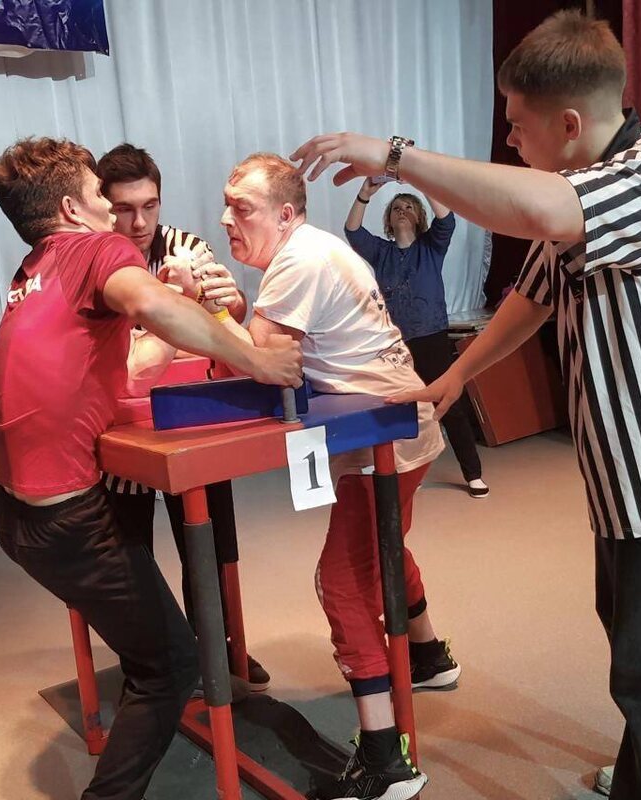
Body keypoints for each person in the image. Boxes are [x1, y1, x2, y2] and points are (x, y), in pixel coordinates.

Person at [292, 10, 641, 800]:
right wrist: (458, 375)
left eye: (516, 125)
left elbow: (537, 212)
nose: (508, 140)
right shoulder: (587, 192)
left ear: (569, 124)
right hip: (626, 469)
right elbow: (535, 293)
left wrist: (398, 157)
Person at [0, 137, 301, 800]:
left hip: (14, 513)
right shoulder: (94, 249)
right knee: (172, 667)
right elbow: (151, 309)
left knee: (154, 642)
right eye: (100, 196)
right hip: (67, 519)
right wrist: (260, 361)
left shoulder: (36, 268)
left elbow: (128, 349)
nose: (115, 212)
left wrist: (194, 302)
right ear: (73, 209)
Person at [221, 153, 463, 800]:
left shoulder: (297, 260)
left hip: (382, 434)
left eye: (241, 208)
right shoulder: (313, 249)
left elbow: (260, 364)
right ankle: (428, 656)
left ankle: (386, 761)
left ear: (285, 214)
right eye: (226, 205)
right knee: (384, 547)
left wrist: (210, 312)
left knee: (342, 581)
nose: (227, 219)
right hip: (400, 424)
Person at [95, 143, 269, 693]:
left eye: (149, 206)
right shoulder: (93, 258)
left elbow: (227, 317)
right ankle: (149, 666)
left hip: (188, 416)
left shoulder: (187, 248)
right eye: (125, 209)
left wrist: (230, 302)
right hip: (118, 426)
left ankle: (221, 647)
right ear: (103, 205)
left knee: (210, 546)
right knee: (129, 556)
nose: (139, 222)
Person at [345, 180, 489, 498]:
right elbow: (353, 231)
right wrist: (365, 194)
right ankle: (413, 470)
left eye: (409, 207)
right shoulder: (381, 252)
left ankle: (473, 473)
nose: (402, 211)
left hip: (432, 337)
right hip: (396, 343)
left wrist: (420, 180)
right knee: (405, 409)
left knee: (449, 406)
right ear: (388, 219)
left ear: (419, 217)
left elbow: (446, 220)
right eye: (396, 208)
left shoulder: (431, 247)